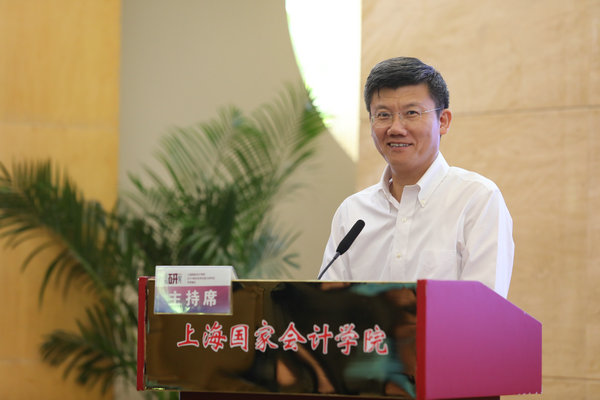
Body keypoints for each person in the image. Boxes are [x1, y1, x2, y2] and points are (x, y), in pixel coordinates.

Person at [318, 57, 514, 298]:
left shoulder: (477, 200)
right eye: (383, 115)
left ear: (443, 121)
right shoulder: (353, 212)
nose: (396, 128)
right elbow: (328, 304)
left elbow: (484, 307)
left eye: (411, 113)